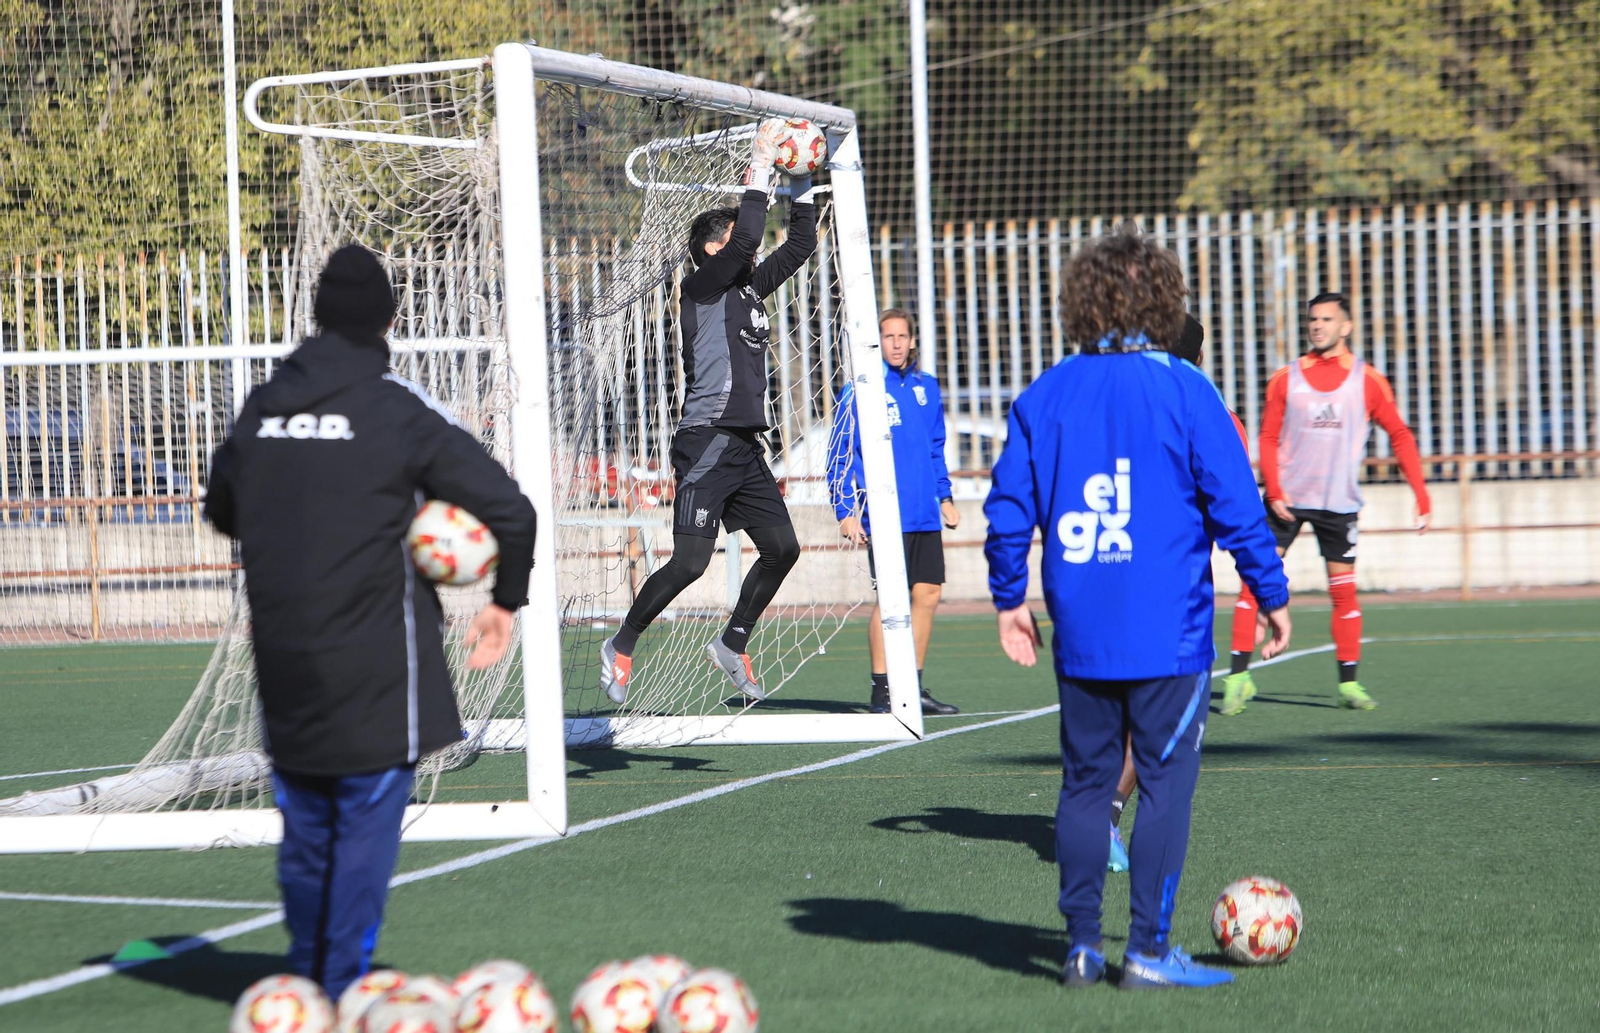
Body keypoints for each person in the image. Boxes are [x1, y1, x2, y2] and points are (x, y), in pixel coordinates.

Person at [203, 244, 537, 1001]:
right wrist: (502, 602)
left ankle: (305, 975)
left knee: (306, 821)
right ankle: (338, 984)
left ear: (315, 318)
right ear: (388, 321)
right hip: (379, 658)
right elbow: (512, 512)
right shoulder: (395, 413)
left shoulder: (262, 408)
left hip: (285, 652)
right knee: (362, 819)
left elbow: (222, 508)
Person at [984, 228, 1292, 989]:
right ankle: (1149, 950)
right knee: (1163, 784)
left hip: (1081, 628)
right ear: (1165, 300)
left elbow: (1006, 509)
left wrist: (1006, 598)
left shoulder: (1045, 392)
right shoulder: (1188, 389)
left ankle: (1083, 946)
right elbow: (1237, 507)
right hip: (1170, 630)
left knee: (1086, 785)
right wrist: (1272, 593)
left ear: (1079, 304)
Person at [599, 121, 818, 703]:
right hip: (707, 440)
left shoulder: (746, 288)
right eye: (731, 236)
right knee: (691, 562)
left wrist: (802, 183)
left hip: (745, 446)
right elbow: (748, 241)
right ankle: (622, 642)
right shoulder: (702, 286)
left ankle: (733, 642)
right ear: (711, 249)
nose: (745, 242)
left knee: (783, 549)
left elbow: (799, 247)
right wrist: (761, 165)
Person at [1218, 291, 1431, 716]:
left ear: (1345, 326)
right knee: (1252, 584)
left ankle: (1349, 684)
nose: (1317, 326)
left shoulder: (1368, 381)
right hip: (1287, 503)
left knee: (1344, 595)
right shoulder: (1286, 378)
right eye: (1313, 319)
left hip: (1339, 504)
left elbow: (1401, 435)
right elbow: (1268, 437)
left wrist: (1421, 494)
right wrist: (1275, 490)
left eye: (1327, 319)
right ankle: (1238, 678)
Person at [1102, 313, 1252, 876]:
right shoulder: (1215, 416)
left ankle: (1098, 813)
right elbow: (1234, 506)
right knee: (1160, 718)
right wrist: (1266, 584)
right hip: (1171, 587)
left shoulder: (1119, 408)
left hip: (1106, 572)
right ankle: (1107, 817)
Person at [827, 308, 961, 717]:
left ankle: (913, 686)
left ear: (913, 340)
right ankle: (882, 692)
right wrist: (845, 511)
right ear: (877, 342)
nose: (897, 343)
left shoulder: (927, 387)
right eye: (889, 336)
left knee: (929, 594)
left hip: (923, 513)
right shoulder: (860, 389)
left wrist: (945, 496)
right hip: (883, 514)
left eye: (904, 336)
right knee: (890, 599)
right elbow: (840, 453)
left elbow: (935, 449)